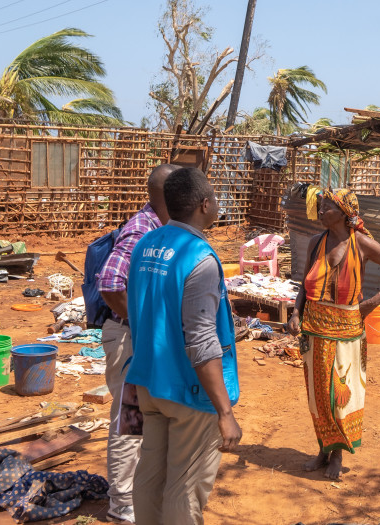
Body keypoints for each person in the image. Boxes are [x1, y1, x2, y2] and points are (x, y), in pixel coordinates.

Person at [124, 167, 242, 524]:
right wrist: (225, 412)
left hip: (148, 382)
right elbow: (202, 339)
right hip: (189, 391)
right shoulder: (199, 257)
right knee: (185, 485)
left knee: (151, 474)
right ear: (205, 204)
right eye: (216, 198)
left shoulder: (146, 244)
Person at [286, 188, 380, 480]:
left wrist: (370, 303)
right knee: (317, 395)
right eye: (320, 205)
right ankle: (323, 449)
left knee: (341, 394)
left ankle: (338, 454)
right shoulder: (316, 242)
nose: (320, 210)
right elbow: (305, 286)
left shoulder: (363, 244)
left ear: (343, 213)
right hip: (315, 328)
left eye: (327, 206)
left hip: (346, 330)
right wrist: (295, 313)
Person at [96, 164, 175, 524]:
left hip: (137, 336)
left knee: (143, 418)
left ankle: (135, 494)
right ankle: (122, 504)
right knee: (130, 420)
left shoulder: (158, 227)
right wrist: (141, 324)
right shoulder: (142, 229)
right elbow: (111, 283)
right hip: (129, 337)